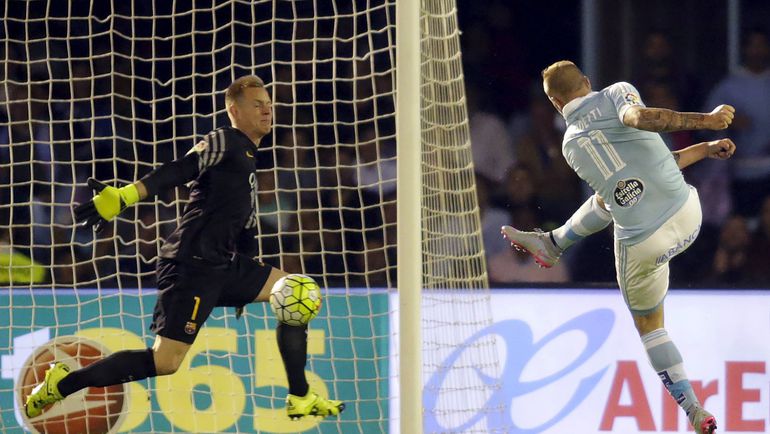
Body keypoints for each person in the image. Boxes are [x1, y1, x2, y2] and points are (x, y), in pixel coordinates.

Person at [24, 75, 345, 420]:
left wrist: (246, 282)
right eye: (257, 105)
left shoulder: (248, 157)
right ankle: (63, 384)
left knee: (297, 292)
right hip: (192, 265)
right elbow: (180, 169)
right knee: (166, 362)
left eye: (269, 104)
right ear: (235, 111)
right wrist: (125, 196)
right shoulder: (224, 139)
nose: (267, 110)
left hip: (225, 264)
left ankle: (300, 397)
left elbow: (245, 228)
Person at [502, 60, 736, 434]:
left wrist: (706, 128)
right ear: (587, 81)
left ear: (556, 104)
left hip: (645, 243)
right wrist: (706, 135)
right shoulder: (617, 92)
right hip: (689, 216)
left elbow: (639, 132)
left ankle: (694, 409)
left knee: (650, 326)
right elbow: (645, 134)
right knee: (612, 196)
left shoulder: (570, 146)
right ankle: (554, 242)